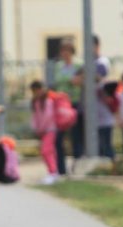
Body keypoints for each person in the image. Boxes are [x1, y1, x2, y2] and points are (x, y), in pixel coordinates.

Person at [53, 39, 83, 174]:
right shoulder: (59, 66)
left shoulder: (79, 64)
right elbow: (58, 80)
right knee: (58, 137)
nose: (64, 54)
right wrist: (69, 80)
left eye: (67, 51)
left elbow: (80, 80)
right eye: (62, 51)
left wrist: (72, 80)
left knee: (77, 135)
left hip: (75, 102)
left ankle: (77, 166)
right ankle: (61, 169)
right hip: (61, 104)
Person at [30, 80, 59, 185]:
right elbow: (35, 116)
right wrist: (36, 128)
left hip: (50, 129)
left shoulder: (47, 100)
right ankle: (53, 172)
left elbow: (48, 116)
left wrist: (41, 127)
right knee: (49, 151)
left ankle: (53, 172)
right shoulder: (36, 102)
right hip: (43, 131)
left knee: (46, 151)